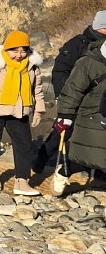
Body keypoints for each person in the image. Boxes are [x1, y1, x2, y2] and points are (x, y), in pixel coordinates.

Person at [0, 30, 46, 195]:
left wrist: (38, 110)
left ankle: (22, 181)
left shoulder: (32, 67)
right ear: (6, 49)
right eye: (14, 50)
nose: (19, 55)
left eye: (23, 50)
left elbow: (37, 90)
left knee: (25, 146)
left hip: (19, 111)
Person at [33, 10, 106, 173]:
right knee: (63, 130)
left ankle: (92, 169)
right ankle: (41, 158)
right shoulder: (78, 43)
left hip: (98, 100)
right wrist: (64, 98)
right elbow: (60, 70)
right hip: (77, 97)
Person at [53, 39, 106, 192]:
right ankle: (64, 172)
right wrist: (65, 114)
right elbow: (72, 90)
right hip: (92, 115)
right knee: (88, 156)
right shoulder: (88, 63)